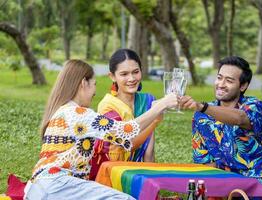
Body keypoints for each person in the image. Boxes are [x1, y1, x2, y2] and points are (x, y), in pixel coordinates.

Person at [24, 59, 178, 200]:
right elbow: (125, 131)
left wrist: (155, 115)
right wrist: (161, 105)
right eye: (94, 84)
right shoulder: (78, 114)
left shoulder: (65, 111)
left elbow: (125, 139)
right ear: (84, 82)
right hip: (56, 186)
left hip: (39, 188)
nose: (95, 92)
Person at [180, 56, 262, 200]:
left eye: (229, 81)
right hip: (236, 190)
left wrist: (203, 107)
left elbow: (240, 118)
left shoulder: (255, 106)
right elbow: (205, 163)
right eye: (219, 78)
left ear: (243, 86)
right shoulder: (201, 117)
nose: (221, 84)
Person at [90, 49, 157, 180]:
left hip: (137, 174)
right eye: (124, 74)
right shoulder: (108, 106)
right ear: (112, 76)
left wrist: (151, 182)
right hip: (111, 175)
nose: (131, 79)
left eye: (135, 72)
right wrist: (154, 120)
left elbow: (149, 151)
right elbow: (126, 143)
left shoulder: (147, 101)